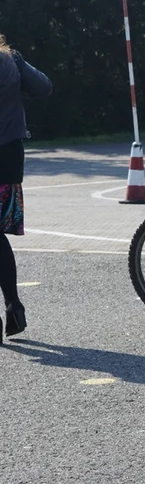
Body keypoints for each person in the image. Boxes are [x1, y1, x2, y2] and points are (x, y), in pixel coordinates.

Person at [0, 34, 52, 343]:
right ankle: (12, 303)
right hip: (8, 154)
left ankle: (12, 305)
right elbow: (44, 87)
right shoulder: (11, 60)